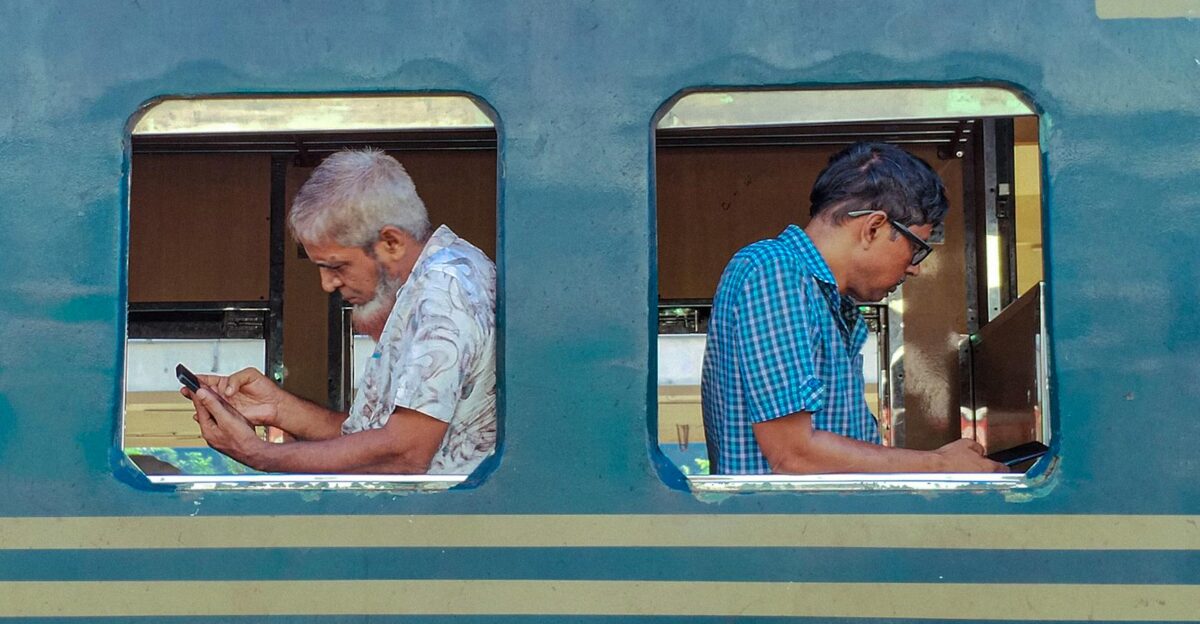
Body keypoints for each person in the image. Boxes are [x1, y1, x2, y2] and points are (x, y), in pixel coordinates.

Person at [183, 148, 496, 475]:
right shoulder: (429, 285)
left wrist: (258, 454)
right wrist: (279, 408)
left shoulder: (443, 291)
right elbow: (368, 437)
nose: (326, 284)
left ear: (391, 242)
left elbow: (405, 453)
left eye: (337, 266)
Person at [700, 142, 1005, 475]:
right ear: (873, 227)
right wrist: (939, 465)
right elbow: (794, 454)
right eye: (916, 249)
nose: (914, 267)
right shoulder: (775, 270)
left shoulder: (827, 302)